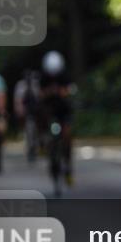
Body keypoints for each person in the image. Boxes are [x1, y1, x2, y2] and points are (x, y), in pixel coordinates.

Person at [39, 51, 76, 184]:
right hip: (49, 111)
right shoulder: (43, 77)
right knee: (43, 123)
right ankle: (43, 145)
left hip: (63, 111)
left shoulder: (64, 76)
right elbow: (40, 94)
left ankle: (68, 166)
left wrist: (61, 92)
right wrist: (49, 92)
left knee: (67, 136)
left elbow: (70, 90)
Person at [14, 68, 41, 162]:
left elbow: (40, 98)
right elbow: (18, 100)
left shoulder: (36, 84)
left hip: (36, 111)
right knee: (28, 130)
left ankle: (40, 144)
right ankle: (30, 147)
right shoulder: (20, 85)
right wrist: (19, 110)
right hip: (26, 112)